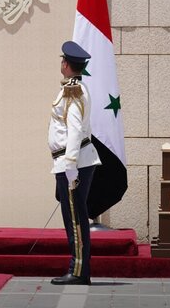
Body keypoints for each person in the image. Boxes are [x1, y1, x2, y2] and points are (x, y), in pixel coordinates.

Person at [48, 41, 101, 286]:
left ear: (67, 64)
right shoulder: (74, 88)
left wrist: (70, 165)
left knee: (76, 219)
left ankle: (79, 270)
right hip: (72, 161)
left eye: (62, 61)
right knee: (73, 217)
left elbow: (74, 129)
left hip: (73, 162)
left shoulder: (73, 91)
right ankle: (79, 268)